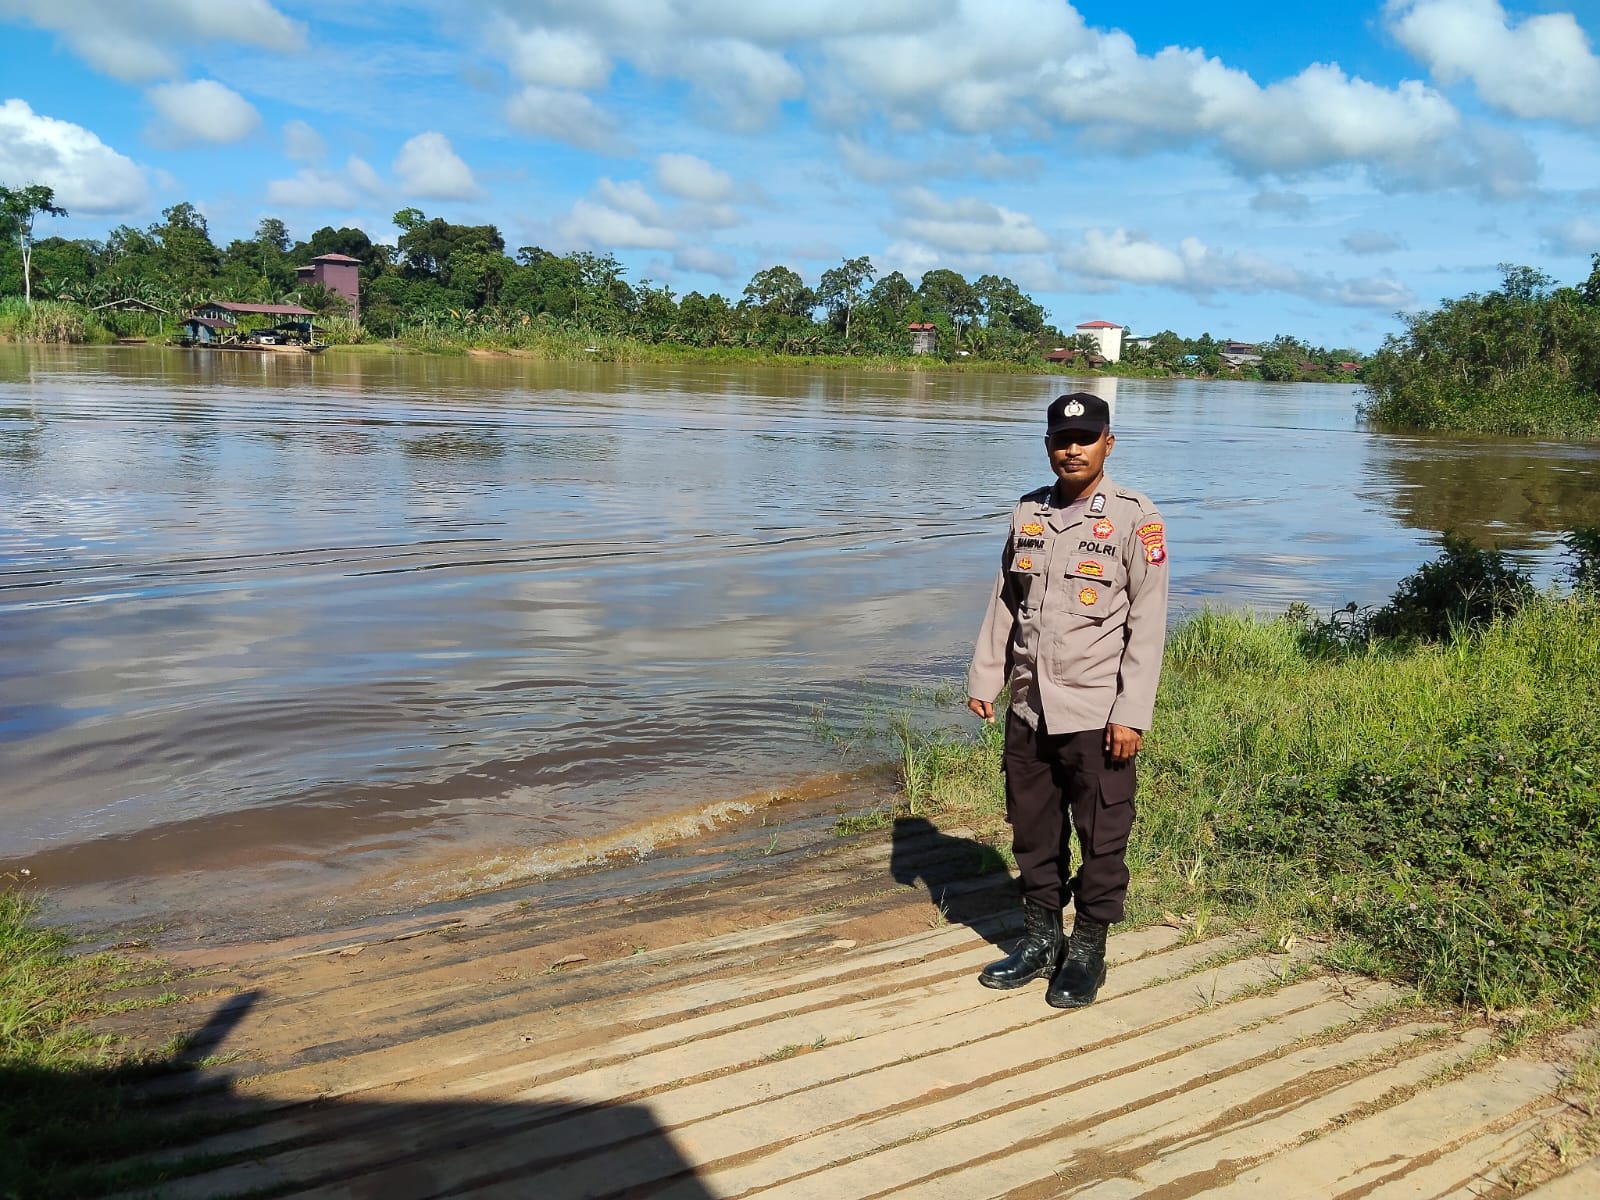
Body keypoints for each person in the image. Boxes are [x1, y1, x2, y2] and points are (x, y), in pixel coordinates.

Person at [966, 391, 1168, 1009]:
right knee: (1032, 829)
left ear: (1109, 442)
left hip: (1096, 712)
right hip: (1030, 704)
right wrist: (985, 678)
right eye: (1060, 439)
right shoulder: (1026, 513)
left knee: (1102, 834)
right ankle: (1039, 937)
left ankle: (1088, 950)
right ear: (1048, 444)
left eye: (1085, 439)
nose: (1071, 449)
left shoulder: (1137, 519)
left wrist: (1132, 712)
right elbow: (1005, 601)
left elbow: (1149, 621)